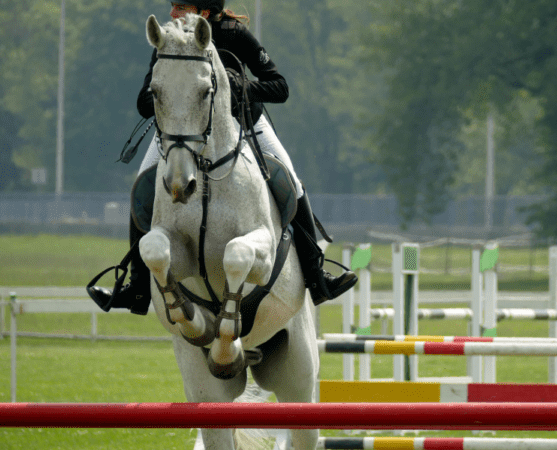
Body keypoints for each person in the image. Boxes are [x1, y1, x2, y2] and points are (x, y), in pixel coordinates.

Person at [88, 0, 357, 314]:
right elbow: (144, 101)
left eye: (181, 6)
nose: (173, 13)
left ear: (203, 11)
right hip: (183, 131)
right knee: (142, 187)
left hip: (243, 122)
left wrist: (242, 86)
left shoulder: (233, 33)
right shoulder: (170, 37)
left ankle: (316, 277)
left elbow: (279, 87)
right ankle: (136, 288)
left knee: (292, 181)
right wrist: (166, 94)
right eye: (173, 6)